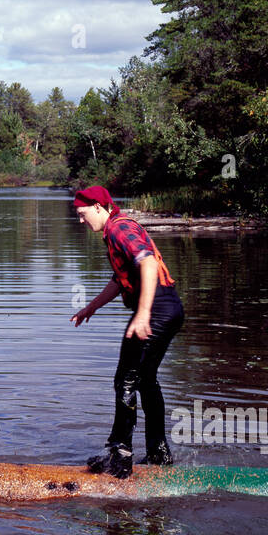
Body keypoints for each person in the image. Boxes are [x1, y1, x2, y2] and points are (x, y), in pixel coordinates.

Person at [69, 186, 184, 478]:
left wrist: (143, 314)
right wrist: (90, 307)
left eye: (82, 214)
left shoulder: (119, 228)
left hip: (157, 309)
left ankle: (121, 459)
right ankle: (159, 455)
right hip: (167, 308)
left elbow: (146, 262)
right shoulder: (115, 232)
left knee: (126, 380)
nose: (81, 221)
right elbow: (120, 279)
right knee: (145, 381)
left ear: (98, 206)